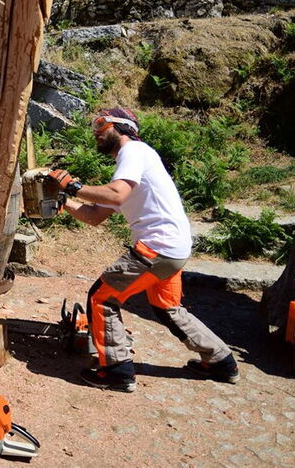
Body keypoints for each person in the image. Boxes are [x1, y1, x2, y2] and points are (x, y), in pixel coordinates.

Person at [49, 107, 239, 392]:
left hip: (158, 246)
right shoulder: (129, 167)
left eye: (101, 124)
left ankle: (116, 370)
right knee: (167, 307)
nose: (96, 131)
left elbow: (115, 194)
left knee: (102, 298)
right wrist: (65, 202)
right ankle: (221, 360)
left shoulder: (134, 152)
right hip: (173, 247)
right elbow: (94, 216)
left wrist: (73, 185)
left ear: (122, 127)